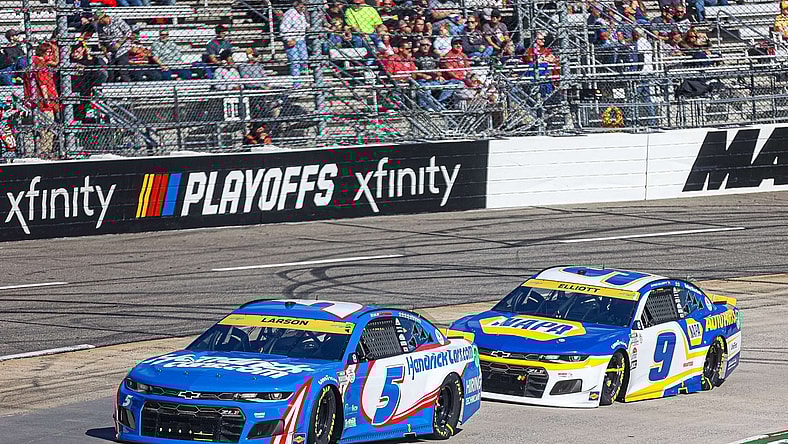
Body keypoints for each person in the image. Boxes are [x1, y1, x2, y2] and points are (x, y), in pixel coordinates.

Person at [23, 43, 60, 159]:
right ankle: (45, 153)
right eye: (50, 53)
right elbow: (43, 82)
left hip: (30, 101)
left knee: (30, 129)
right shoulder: (40, 62)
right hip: (43, 102)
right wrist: (46, 99)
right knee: (47, 129)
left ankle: (28, 153)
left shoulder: (32, 61)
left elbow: (55, 63)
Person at [70, 43, 108, 121]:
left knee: (88, 113)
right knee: (75, 115)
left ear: (83, 49)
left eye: (78, 48)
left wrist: (94, 88)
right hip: (73, 91)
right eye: (73, 49)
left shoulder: (92, 60)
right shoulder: (68, 61)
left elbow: (101, 75)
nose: (75, 51)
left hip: (87, 90)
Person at [96, 9, 133, 82]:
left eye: (100, 20)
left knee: (123, 71)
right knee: (111, 74)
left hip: (122, 48)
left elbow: (128, 31)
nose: (99, 22)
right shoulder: (100, 26)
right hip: (111, 51)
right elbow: (101, 40)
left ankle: (129, 89)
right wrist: (105, 51)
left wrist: (119, 43)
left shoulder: (116, 20)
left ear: (104, 17)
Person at [280, 1, 309, 81]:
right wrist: (288, 39)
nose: (304, 7)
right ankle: (296, 82)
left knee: (304, 59)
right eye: (302, 5)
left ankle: (304, 76)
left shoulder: (302, 14)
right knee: (295, 61)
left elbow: (304, 24)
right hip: (292, 40)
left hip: (301, 39)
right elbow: (283, 28)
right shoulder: (290, 13)